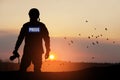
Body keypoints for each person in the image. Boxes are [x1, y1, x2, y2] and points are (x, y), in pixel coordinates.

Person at [12, 8, 50, 72]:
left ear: (29, 15)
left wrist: (16, 49)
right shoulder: (41, 26)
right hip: (37, 51)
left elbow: (20, 39)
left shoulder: (26, 26)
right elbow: (47, 39)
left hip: (28, 51)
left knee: (22, 70)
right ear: (38, 16)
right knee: (37, 71)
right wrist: (47, 50)